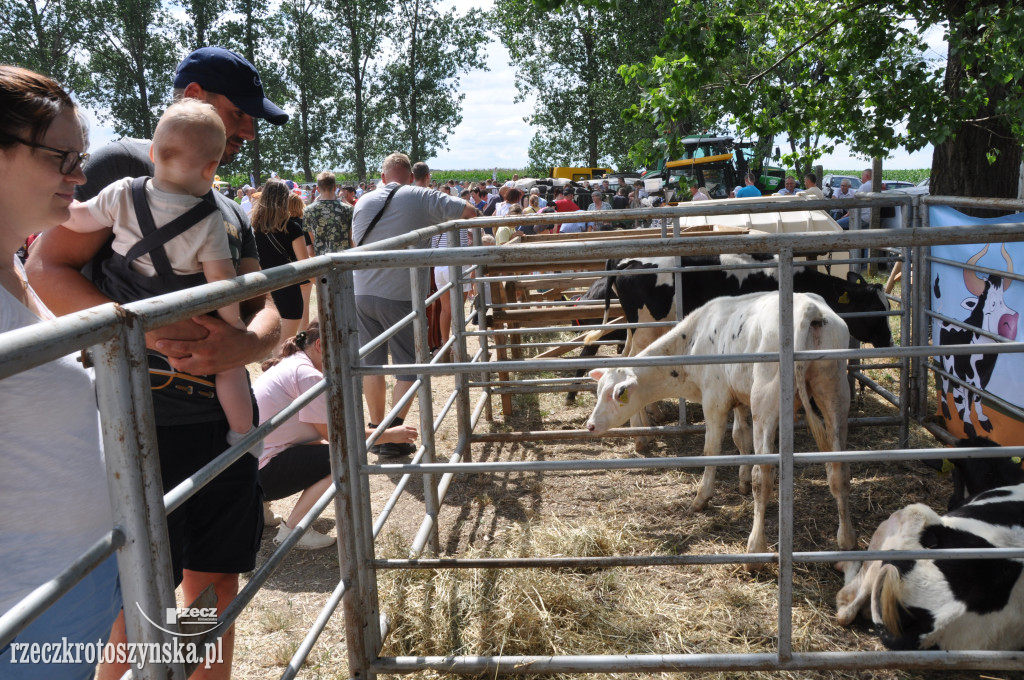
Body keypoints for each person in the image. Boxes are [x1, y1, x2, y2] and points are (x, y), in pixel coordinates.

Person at [26, 46, 287, 680]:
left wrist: (248, 346)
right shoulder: (119, 170)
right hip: (141, 421)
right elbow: (46, 267)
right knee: (140, 590)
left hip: (218, 424)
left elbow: (269, 308)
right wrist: (142, 330)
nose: (246, 130)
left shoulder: (223, 203)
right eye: (236, 113)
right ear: (192, 94)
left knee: (212, 578)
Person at [0, 64, 123, 680]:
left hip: (74, 580)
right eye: (60, 158)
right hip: (21, 608)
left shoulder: (17, 269)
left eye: (83, 157)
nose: (79, 176)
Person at [62, 99, 261, 456]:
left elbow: (78, 219)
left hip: (125, 309)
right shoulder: (210, 219)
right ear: (210, 169)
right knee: (228, 369)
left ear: (153, 152)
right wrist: (235, 327)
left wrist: (59, 205)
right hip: (187, 314)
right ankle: (243, 433)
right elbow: (222, 282)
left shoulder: (123, 191)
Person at [352, 152, 476, 456]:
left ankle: (376, 429)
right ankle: (393, 435)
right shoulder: (418, 194)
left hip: (361, 291)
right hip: (399, 294)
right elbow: (470, 211)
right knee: (409, 366)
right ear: (410, 176)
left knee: (373, 364)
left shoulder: (364, 201)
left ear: (383, 178)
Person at [255, 324, 417, 549]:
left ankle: (257, 508)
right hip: (260, 473)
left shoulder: (294, 363)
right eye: (345, 350)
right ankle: (293, 531)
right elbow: (338, 438)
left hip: (249, 467)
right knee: (343, 458)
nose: (349, 358)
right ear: (321, 345)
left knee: (325, 450)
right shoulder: (308, 375)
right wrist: (388, 434)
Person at [252, 179, 310, 352]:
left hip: (264, 293)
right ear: (284, 199)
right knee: (284, 350)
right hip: (288, 292)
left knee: (271, 350)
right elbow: (305, 265)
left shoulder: (253, 229)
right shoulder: (291, 228)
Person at [306, 171, 353, 255]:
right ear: (335, 187)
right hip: (345, 260)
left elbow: (312, 240)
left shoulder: (309, 211)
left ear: (317, 188)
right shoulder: (348, 209)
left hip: (321, 261)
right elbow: (352, 239)